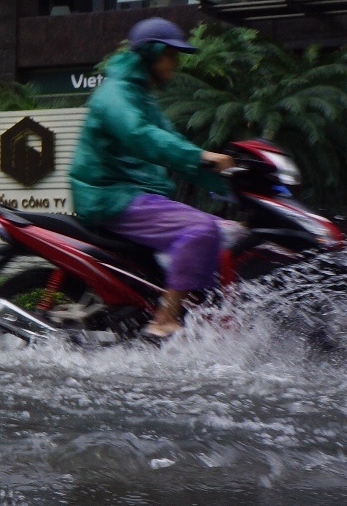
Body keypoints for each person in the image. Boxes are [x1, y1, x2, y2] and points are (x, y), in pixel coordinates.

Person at [69, 17, 237, 340]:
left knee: (230, 232)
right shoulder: (115, 93)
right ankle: (164, 320)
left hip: (133, 194)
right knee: (201, 229)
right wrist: (202, 156)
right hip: (111, 196)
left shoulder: (141, 96)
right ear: (151, 54)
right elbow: (142, 136)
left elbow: (173, 144)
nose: (175, 63)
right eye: (170, 55)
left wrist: (230, 184)